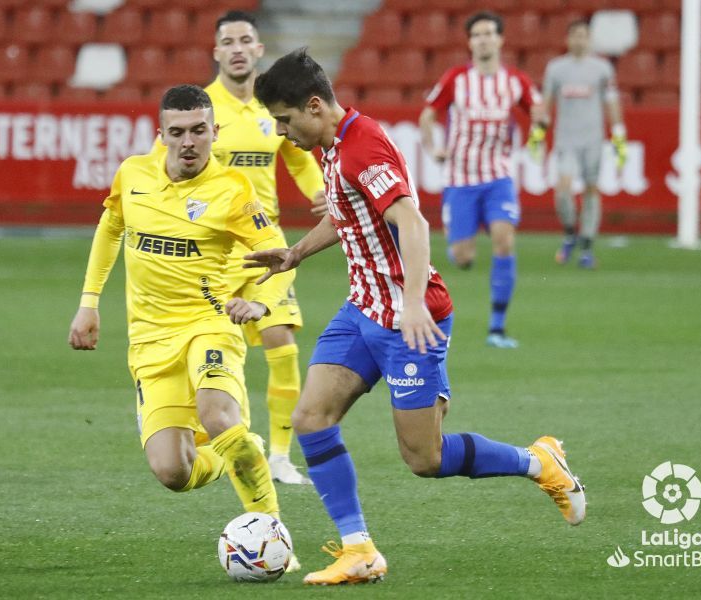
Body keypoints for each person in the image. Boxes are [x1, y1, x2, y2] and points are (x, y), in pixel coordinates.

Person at [248, 48, 586, 586]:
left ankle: (538, 460)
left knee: (424, 458)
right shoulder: (333, 147)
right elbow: (349, 217)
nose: (283, 133)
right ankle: (359, 550)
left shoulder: (362, 149)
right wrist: (294, 253)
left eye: (286, 121)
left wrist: (408, 304)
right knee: (311, 418)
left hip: (409, 317)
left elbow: (413, 223)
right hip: (361, 308)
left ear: (314, 107)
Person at [68, 85, 299, 564]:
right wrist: (89, 302)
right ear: (161, 136)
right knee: (173, 471)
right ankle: (244, 451)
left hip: (209, 324)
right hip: (150, 341)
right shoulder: (133, 174)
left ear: (214, 132)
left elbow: (283, 256)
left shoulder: (233, 190)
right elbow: (110, 227)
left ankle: (275, 539)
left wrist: (262, 306)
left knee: (217, 417)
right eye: (177, 133)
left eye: (199, 131)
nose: (189, 142)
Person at [149, 10, 326, 484]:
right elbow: (155, 164)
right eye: (228, 41)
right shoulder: (199, 111)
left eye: (246, 39)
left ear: (259, 49)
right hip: (212, 255)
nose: (238, 48)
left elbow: (299, 158)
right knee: (208, 352)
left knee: (282, 342)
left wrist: (318, 193)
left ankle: (282, 456)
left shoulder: (273, 107)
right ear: (216, 51)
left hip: (264, 249)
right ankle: (208, 435)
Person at [419, 11, 544, 349]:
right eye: (477, 35)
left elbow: (538, 109)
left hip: (498, 177)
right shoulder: (456, 79)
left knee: (505, 239)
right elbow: (428, 115)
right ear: (470, 42)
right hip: (460, 180)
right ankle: (464, 254)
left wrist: (538, 132)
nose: (484, 39)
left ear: (501, 40)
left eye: (489, 33)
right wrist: (434, 147)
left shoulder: (515, 81)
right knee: (461, 256)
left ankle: (497, 328)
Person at [532, 18, 627, 269]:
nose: (579, 40)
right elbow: (547, 103)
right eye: (574, 35)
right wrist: (538, 134)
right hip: (566, 139)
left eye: (583, 35)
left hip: (593, 140)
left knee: (591, 190)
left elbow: (611, 101)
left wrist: (618, 134)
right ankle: (569, 232)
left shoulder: (602, 68)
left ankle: (586, 246)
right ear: (568, 39)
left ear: (590, 39)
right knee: (563, 189)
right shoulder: (557, 68)